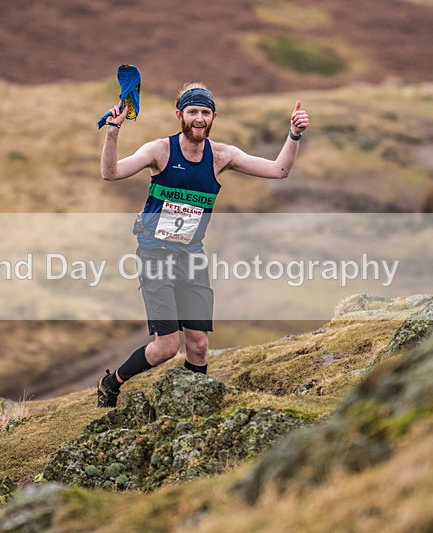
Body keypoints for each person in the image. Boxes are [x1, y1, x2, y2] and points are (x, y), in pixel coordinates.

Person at [97, 82, 309, 407]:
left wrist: (293, 135)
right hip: (154, 257)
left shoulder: (222, 156)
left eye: (205, 112)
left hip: (191, 258)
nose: (199, 118)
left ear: (213, 118)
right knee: (166, 348)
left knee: (198, 345)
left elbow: (278, 170)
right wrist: (113, 132)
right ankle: (112, 383)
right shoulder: (159, 151)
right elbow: (111, 173)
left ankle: (192, 405)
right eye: (193, 111)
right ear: (179, 114)